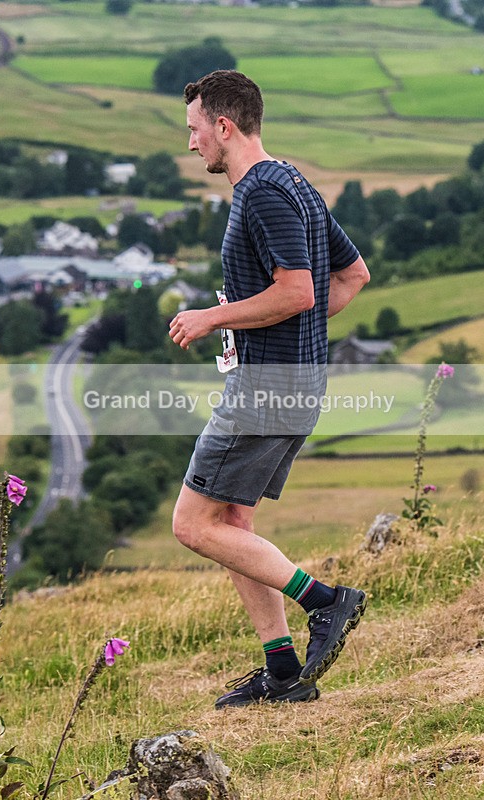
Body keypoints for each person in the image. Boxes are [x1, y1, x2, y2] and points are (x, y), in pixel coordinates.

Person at [169, 70, 370, 708]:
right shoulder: (295, 184)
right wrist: (296, 333)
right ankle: (282, 672)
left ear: (225, 126)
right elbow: (353, 275)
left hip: (267, 388)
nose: (192, 142)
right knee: (234, 519)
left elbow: (297, 291)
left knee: (193, 524)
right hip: (294, 381)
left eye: (196, 129)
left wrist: (214, 317)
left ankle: (327, 601)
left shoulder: (262, 195)